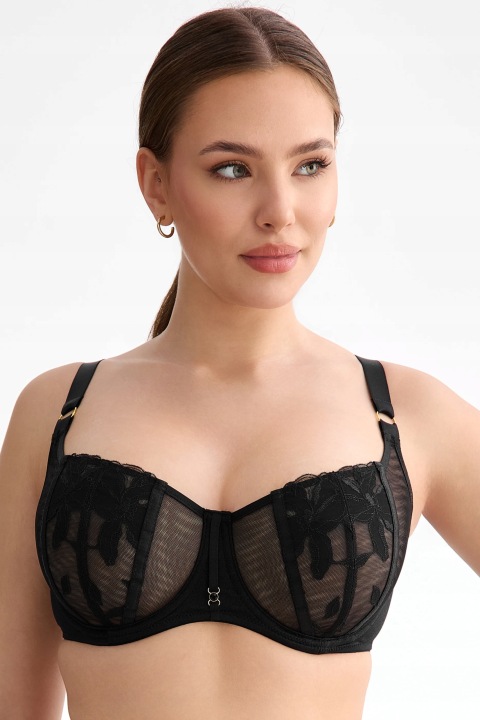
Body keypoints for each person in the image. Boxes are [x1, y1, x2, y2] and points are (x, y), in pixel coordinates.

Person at [0, 6, 479, 720]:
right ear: (156, 184)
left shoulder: (407, 415)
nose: (280, 210)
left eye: (310, 165)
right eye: (232, 169)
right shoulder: (57, 411)